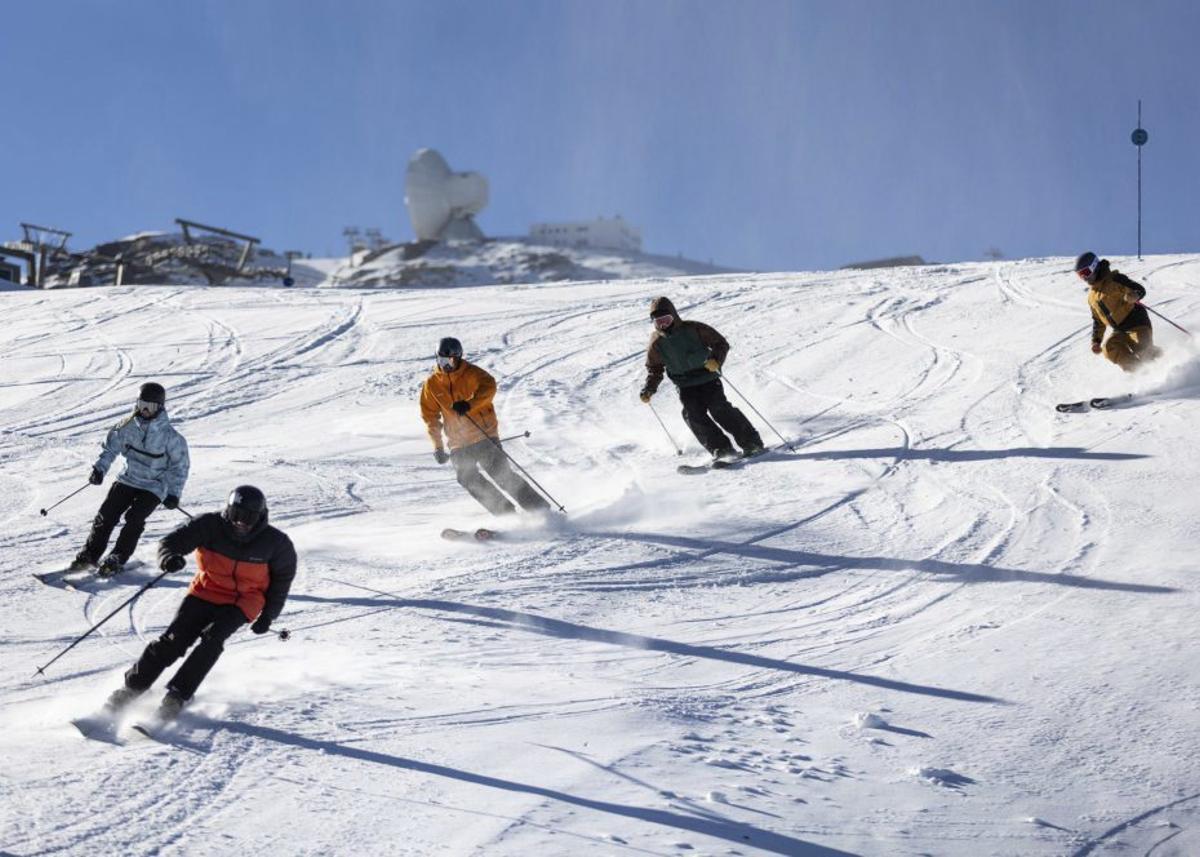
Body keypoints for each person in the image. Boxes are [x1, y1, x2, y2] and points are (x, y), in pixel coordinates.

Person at [102, 485, 297, 722]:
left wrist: (268, 616)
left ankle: (177, 696)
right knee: (173, 641)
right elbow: (170, 543)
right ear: (227, 512)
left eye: (249, 518)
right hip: (205, 591)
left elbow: (282, 581)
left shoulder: (276, 543)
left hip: (245, 600)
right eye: (236, 516)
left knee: (212, 640)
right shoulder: (209, 526)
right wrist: (169, 559)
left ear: (261, 516)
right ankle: (131, 689)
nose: (241, 523)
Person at [419, 337, 549, 515]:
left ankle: (540, 510)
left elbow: (489, 387)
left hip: (483, 435)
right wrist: (438, 447)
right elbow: (430, 417)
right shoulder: (431, 385)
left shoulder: (472, 373)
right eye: (442, 360)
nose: (446, 365)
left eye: (450, 360)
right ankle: (506, 513)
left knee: (501, 475)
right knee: (467, 478)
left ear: (458, 358)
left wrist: (470, 404)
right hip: (458, 442)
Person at [72, 382, 190, 577]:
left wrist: (173, 494)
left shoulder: (171, 438)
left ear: (160, 408)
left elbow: (180, 467)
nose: (144, 410)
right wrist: (99, 470)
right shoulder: (126, 427)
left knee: (134, 519)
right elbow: (110, 449)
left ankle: (118, 557)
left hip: (154, 487)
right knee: (106, 515)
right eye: (141, 404)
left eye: (150, 406)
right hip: (128, 479)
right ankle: (89, 555)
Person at [639, 296, 764, 461]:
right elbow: (654, 369)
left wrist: (716, 361)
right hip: (685, 384)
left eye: (666, 319)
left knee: (719, 409)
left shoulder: (693, 328)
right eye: (658, 322)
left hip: (708, 377)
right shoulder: (656, 343)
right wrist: (649, 388)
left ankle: (751, 443)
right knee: (693, 415)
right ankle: (722, 449)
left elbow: (720, 343)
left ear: (674, 316)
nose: (663, 325)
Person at [1074, 251, 1161, 371]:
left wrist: (1135, 295)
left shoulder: (1114, 279)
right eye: (1080, 275)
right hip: (1120, 330)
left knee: (1143, 350)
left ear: (1094, 266)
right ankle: (1140, 373)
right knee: (1110, 348)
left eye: (1085, 272)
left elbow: (1139, 289)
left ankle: (1172, 363)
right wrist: (1096, 341)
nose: (1084, 278)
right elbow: (1098, 321)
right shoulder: (1092, 298)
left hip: (1137, 322)